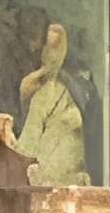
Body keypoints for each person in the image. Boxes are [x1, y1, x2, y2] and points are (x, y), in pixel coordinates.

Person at [16, 20, 91, 183]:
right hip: (44, 171)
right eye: (48, 47)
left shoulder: (65, 88)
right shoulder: (37, 87)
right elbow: (27, 143)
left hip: (62, 174)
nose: (51, 53)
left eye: (56, 48)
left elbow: (26, 147)